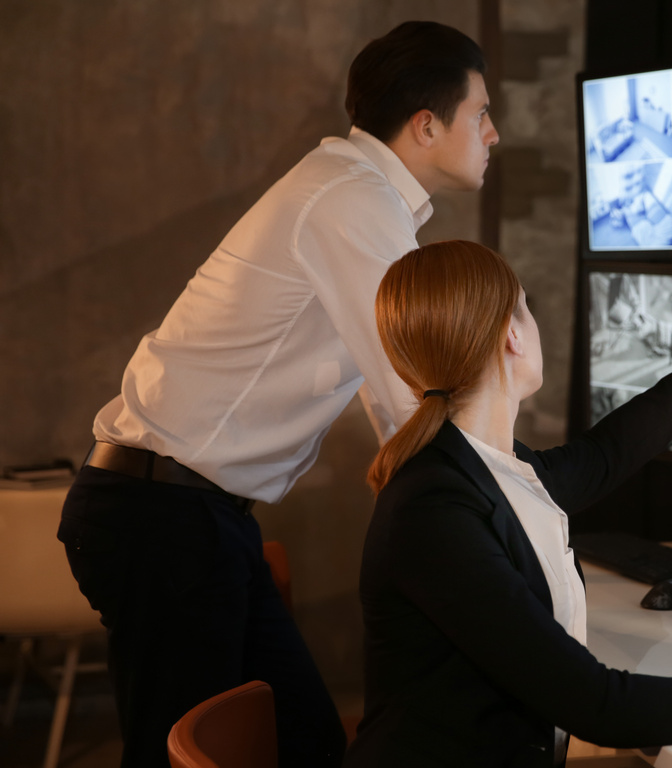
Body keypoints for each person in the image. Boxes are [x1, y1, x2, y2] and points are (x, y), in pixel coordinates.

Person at [56, 21, 498, 768]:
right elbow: (413, 389)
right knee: (189, 755)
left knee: (304, 744)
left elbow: (395, 395)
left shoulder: (355, 195)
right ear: (427, 125)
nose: (493, 133)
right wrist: (501, 521)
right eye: (481, 112)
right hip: (164, 517)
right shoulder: (353, 200)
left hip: (189, 516)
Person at [346, 240, 672, 767]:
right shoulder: (434, 510)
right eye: (526, 307)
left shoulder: (489, 470)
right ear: (511, 336)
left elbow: (609, 452)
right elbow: (594, 703)